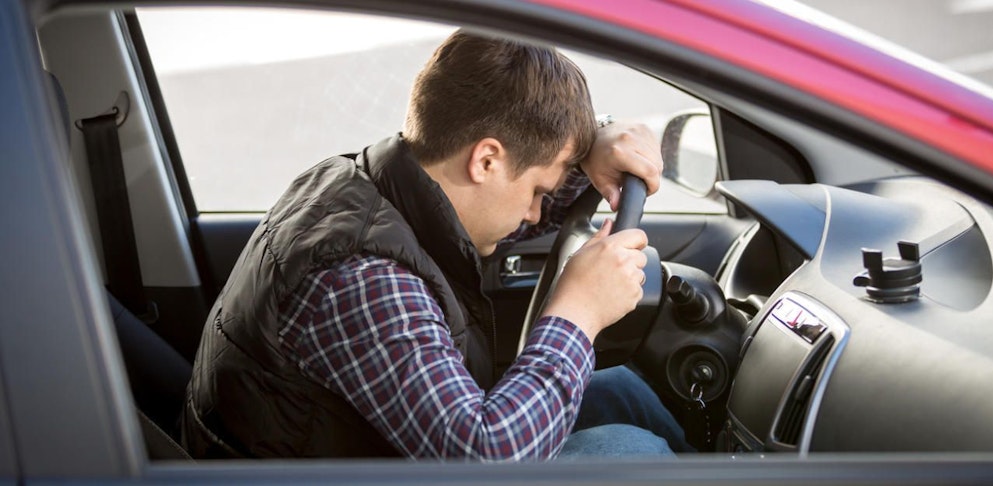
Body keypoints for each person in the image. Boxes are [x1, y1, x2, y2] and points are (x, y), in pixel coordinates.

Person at [182, 29, 690, 461]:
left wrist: (589, 144)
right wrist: (578, 313)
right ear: (486, 160)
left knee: (618, 390)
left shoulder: (373, 184)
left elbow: (510, 214)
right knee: (631, 450)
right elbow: (484, 457)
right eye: (537, 192)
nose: (537, 213)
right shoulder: (358, 273)